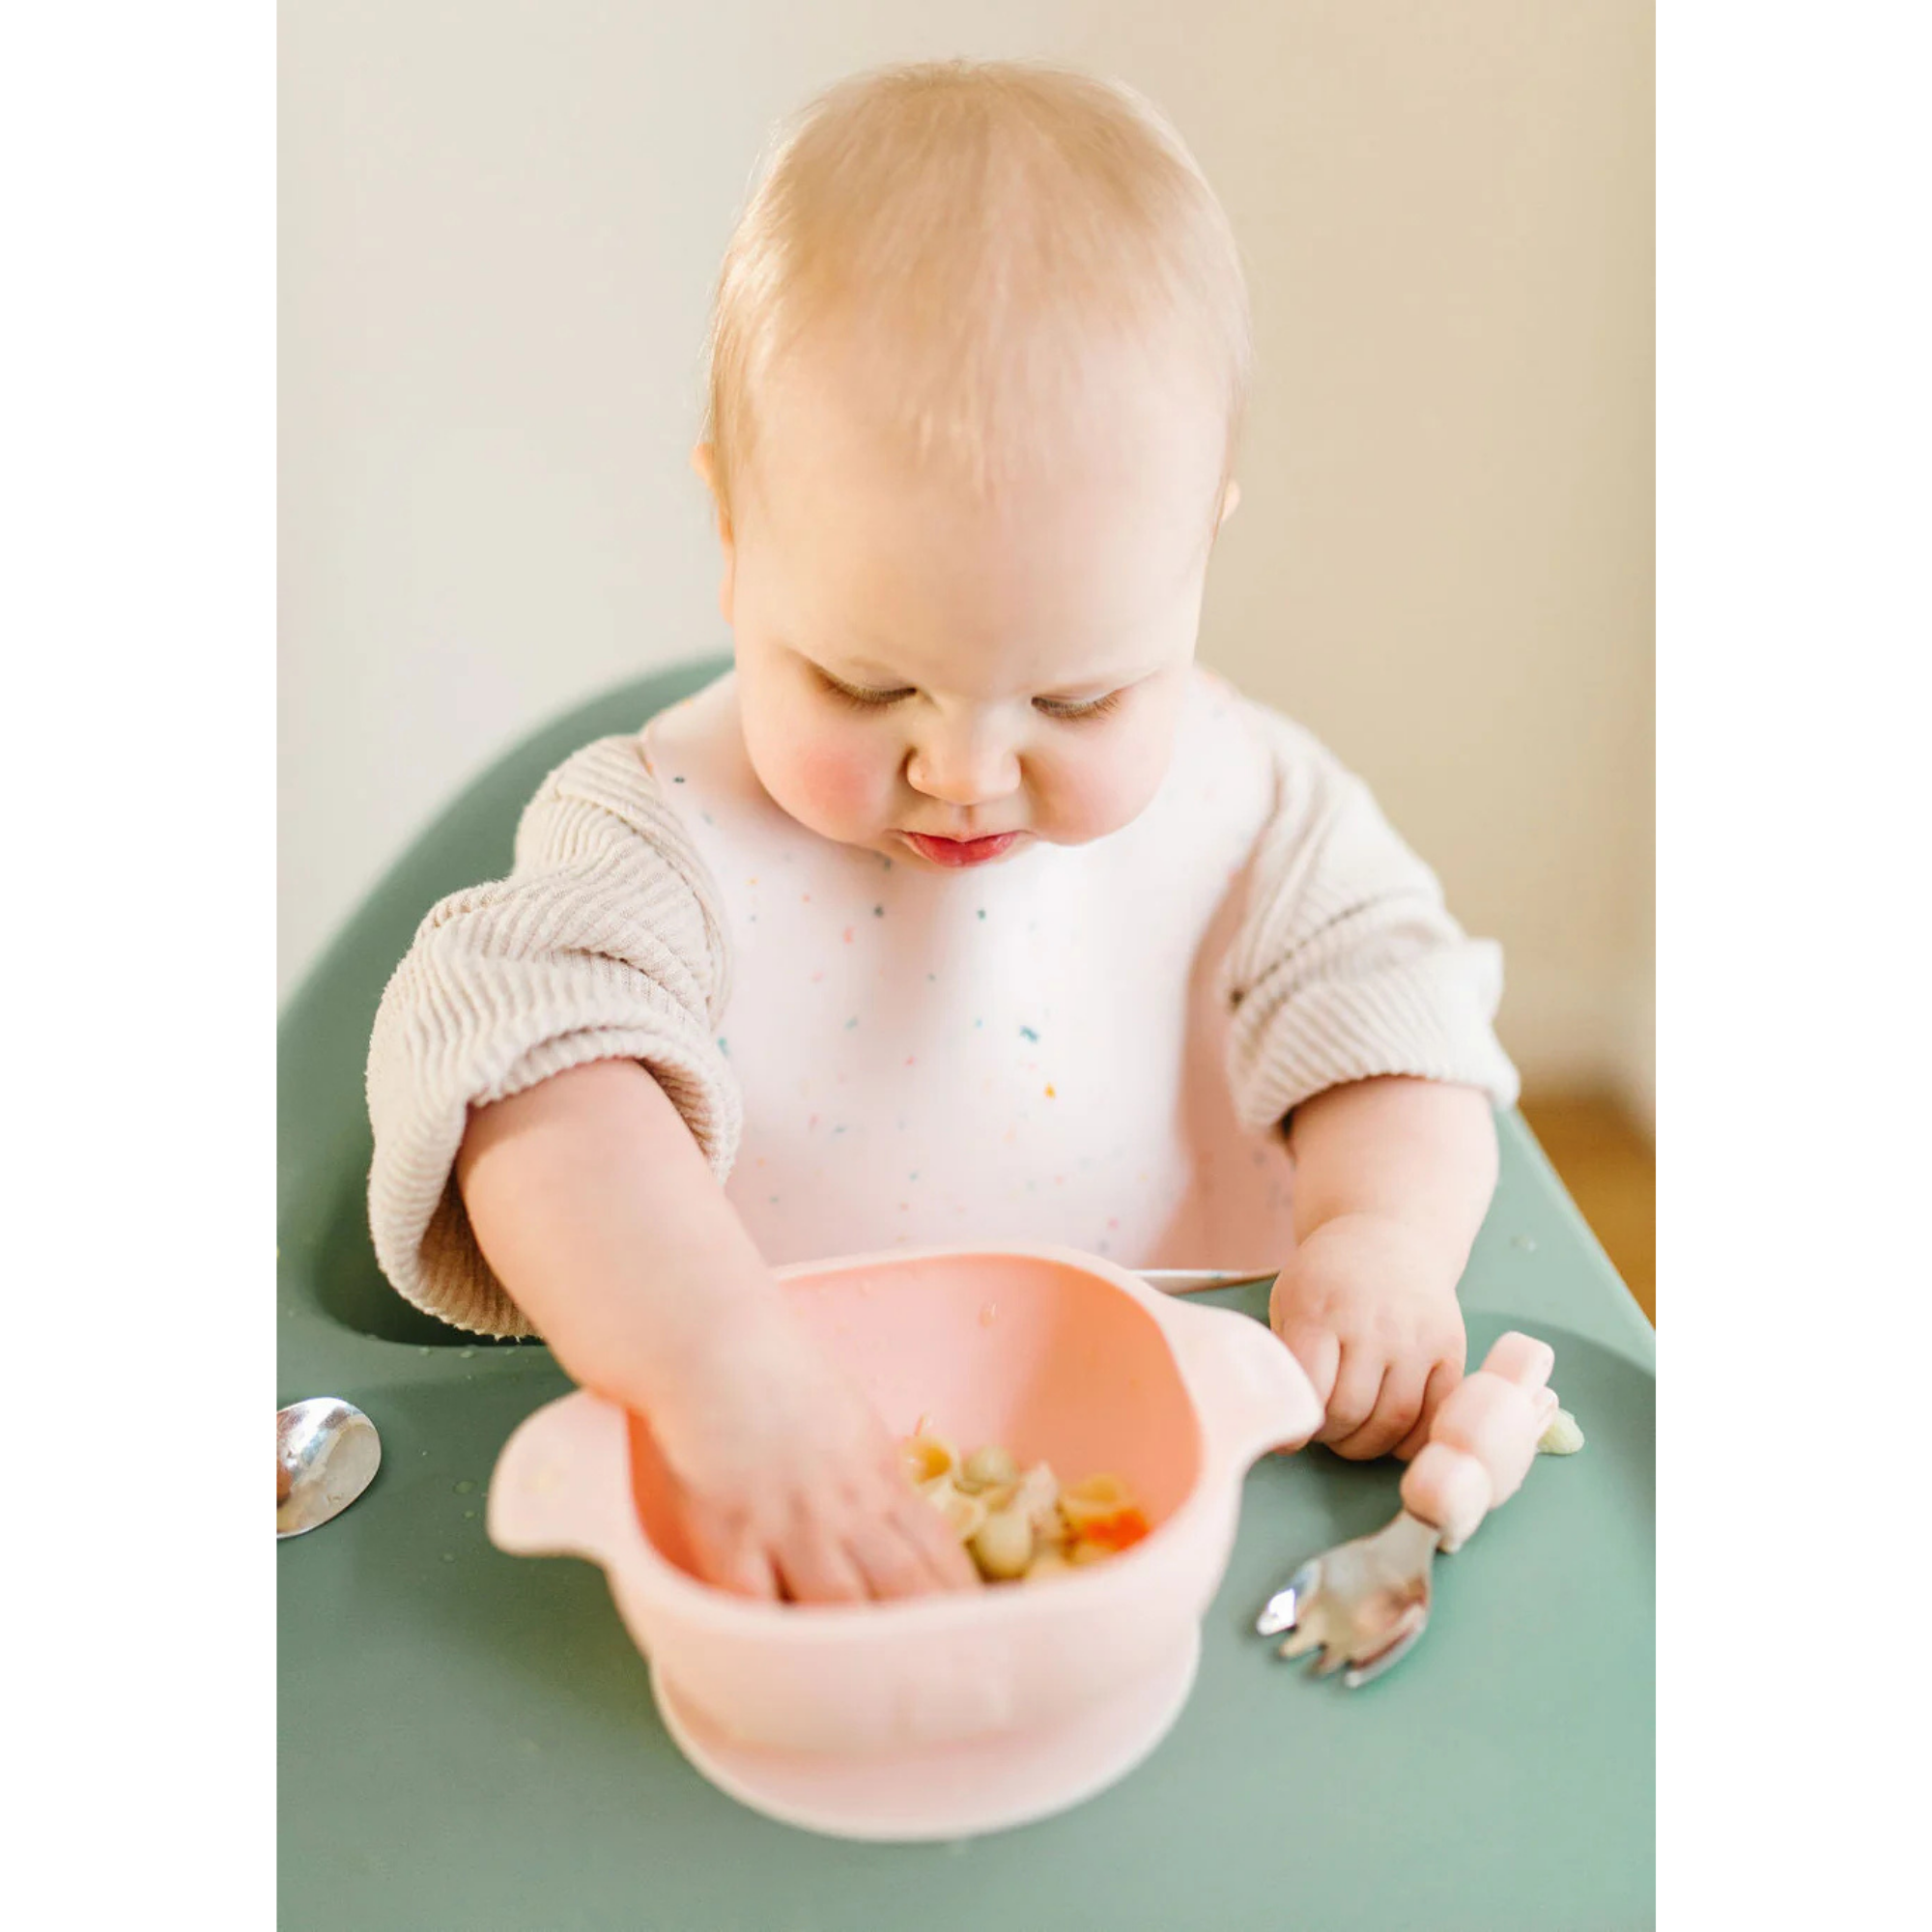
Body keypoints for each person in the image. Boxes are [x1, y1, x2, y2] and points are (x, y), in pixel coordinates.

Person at [366, 60, 1519, 1606]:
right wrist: (720, 1371)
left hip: (1216, 1494)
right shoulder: (660, 841)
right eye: (866, 681)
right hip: (776, 1492)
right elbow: (521, 1071)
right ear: (729, 536)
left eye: (1078, 695)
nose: (966, 768)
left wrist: (1385, 1233)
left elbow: (1404, 1013)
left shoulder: (1257, 811)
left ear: (1199, 550)